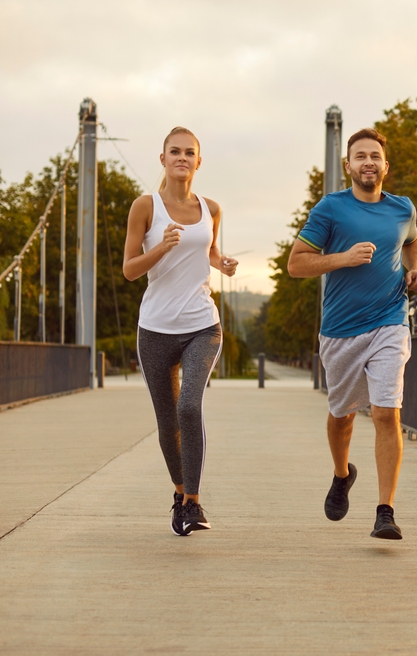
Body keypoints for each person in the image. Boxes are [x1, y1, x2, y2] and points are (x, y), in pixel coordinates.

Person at [287, 127, 417, 540]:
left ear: (386, 166)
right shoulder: (330, 208)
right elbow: (296, 264)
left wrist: (414, 271)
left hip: (389, 321)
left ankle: (385, 510)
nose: (368, 162)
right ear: (348, 166)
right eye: (360, 156)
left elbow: (412, 243)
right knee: (342, 416)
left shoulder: (403, 209)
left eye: (375, 156)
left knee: (386, 412)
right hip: (340, 330)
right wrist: (343, 259)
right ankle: (341, 473)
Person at [122, 126, 238, 536]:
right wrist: (160, 248)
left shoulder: (212, 208)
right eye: (175, 151)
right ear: (163, 159)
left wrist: (221, 262)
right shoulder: (145, 206)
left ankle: (193, 502)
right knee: (167, 421)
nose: (182, 158)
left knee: (190, 407)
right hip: (154, 329)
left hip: (201, 325)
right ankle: (178, 493)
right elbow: (130, 269)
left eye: (190, 152)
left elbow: (206, 250)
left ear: (198, 161)